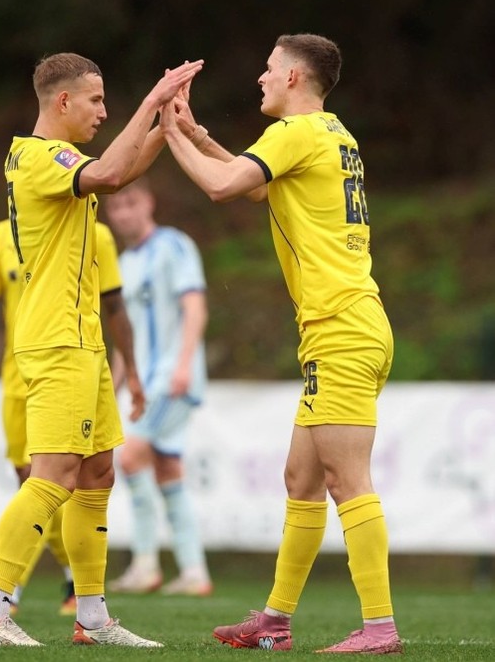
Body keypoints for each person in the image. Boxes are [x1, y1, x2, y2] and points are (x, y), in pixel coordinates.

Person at [159, 33, 400, 654]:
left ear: (294, 77)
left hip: (340, 328)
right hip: (351, 324)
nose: (261, 79)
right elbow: (261, 185)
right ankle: (274, 620)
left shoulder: (293, 134)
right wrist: (200, 136)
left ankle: (379, 628)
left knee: (348, 480)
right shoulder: (334, 134)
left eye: (269, 69)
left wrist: (170, 133)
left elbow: (221, 187)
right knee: (301, 479)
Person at [0, 52, 201, 648]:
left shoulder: (55, 157)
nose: (103, 109)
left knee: (97, 474)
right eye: (96, 100)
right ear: (62, 101)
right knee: (53, 475)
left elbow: (119, 170)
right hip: (56, 340)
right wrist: (151, 104)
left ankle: (93, 618)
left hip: (83, 341)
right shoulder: (43, 156)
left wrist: (165, 126)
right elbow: (108, 175)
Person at [0, 218, 144, 616]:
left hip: (78, 369)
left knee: (76, 479)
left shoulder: (97, 235)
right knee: (39, 484)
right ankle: (50, 586)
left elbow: (114, 305)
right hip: (20, 380)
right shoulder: (3, 234)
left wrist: (130, 369)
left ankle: (16, 598)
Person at [103, 181, 212, 596]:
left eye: (131, 203)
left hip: (170, 379)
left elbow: (195, 307)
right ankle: (194, 571)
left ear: (148, 201)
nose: (124, 214)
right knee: (167, 470)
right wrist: (113, 386)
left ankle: (146, 564)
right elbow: (122, 338)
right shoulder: (123, 262)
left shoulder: (174, 245)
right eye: (116, 208)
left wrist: (183, 365)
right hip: (143, 384)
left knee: (129, 458)